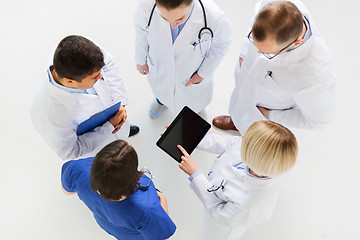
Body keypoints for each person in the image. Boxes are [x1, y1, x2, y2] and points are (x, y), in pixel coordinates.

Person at [213, 0, 336, 134]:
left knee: (252, 135)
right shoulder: (276, 4)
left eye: (266, 52)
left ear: (296, 43)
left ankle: (245, 130)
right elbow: (256, 17)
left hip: (264, 109)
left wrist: (271, 116)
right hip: (245, 84)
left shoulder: (315, 75)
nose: (258, 52)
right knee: (239, 108)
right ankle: (236, 121)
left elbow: (320, 120)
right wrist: (244, 53)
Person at [177, 120, 298, 239]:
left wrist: (195, 175)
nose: (243, 136)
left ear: (253, 156)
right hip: (231, 202)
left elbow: (218, 213)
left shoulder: (246, 202)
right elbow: (228, 143)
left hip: (228, 222)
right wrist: (192, 139)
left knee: (214, 234)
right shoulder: (266, 160)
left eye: (247, 139)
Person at [31, 35, 139, 160]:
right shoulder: (50, 116)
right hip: (99, 147)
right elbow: (72, 150)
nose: (101, 77)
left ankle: (123, 131)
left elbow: (108, 62)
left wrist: (119, 103)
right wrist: (109, 126)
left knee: (121, 133)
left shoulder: (79, 51)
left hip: (114, 116)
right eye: (95, 77)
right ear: (70, 82)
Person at [134, 0, 232, 119]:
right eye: (165, 18)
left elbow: (222, 44)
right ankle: (162, 100)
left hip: (193, 71)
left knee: (195, 99)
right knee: (161, 88)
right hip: (159, 63)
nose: (173, 25)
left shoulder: (213, 17)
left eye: (179, 19)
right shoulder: (146, 5)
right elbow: (141, 32)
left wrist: (203, 73)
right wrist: (140, 60)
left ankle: (197, 109)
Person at [61, 140, 176, 240]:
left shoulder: (78, 169)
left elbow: (66, 190)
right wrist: (162, 198)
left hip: (106, 224)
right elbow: (162, 237)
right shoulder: (147, 207)